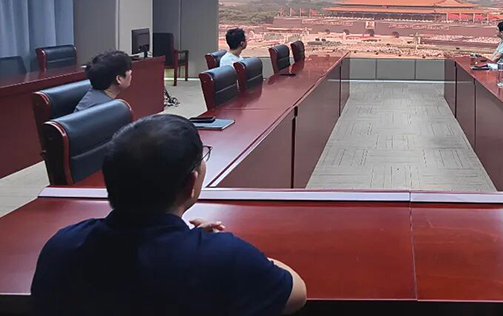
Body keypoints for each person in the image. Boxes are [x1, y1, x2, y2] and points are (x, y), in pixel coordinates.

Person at [31, 114, 307, 315]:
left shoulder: (62, 246)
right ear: (191, 183)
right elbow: (296, 293)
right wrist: (217, 246)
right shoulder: (225, 256)